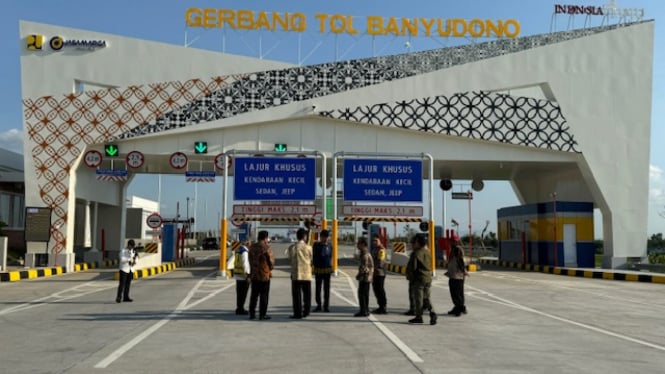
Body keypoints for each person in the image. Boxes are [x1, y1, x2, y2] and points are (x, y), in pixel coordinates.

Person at [406, 234, 437, 325]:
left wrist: (410, 277)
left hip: (419, 278)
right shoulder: (427, 252)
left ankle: (419, 316)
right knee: (426, 297)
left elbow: (413, 268)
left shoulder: (416, 253)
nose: (412, 244)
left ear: (418, 243)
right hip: (428, 277)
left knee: (418, 298)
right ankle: (432, 312)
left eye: (413, 242)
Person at [248, 230, 275, 320]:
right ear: (265, 238)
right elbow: (271, 262)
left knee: (254, 295)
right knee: (264, 295)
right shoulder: (266, 248)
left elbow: (249, 260)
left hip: (254, 275)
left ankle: (252, 314)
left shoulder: (252, 247)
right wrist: (270, 268)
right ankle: (262, 314)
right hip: (264, 275)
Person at [287, 228, 313, 319]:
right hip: (307, 274)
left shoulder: (292, 247)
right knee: (307, 294)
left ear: (297, 236)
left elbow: (290, 258)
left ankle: (297, 313)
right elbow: (311, 259)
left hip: (296, 274)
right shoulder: (309, 248)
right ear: (305, 237)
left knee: (296, 295)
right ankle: (306, 311)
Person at [228, 238, 251, 315]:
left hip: (237, 275)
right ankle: (241, 309)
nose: (251, 244)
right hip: (243, 276)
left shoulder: (238, 250)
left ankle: (239, 308)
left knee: (239, 294)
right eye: (250, 243)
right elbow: (245, 264)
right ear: (247, 243)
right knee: (243, 294)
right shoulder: (244, 252)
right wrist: (248, 275)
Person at [312, 229, 333, 312]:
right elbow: (313, 256)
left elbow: (330, 256)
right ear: (321, 237)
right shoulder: (316, 245)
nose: (325, 239)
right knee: (318, 289)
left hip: (327, 270)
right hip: (318, 270)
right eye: (324, 237)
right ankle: (319, 305)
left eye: (327, 237)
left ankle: (326, 306)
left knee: (327, 289)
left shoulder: (330, 246)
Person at [446, 244, 469, 317]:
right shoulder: (456, 251)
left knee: (456, 293)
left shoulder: (457, 252)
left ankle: (458, 309)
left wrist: (464, 271)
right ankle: (461, 308)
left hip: (456, 276)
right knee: (459, 293)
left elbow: (460, 263)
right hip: (456, 276)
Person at [354, 237, 373, 317]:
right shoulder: (366, 253)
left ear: (362, 244)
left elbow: (364, 267)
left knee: (361, 294)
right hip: (368, 277)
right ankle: (366, 310)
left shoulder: (364, 254)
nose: (357, 245)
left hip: (364, 277)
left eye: (358, 243)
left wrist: (359, 275)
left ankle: (363, 310)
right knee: (365, 294)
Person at [371, 234, 388, 314]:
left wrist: (373, 268)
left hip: (380, 273)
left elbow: (380, 263)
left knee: (380, 290)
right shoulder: (375, 249)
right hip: (375, 273)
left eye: (376, 240)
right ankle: (380, 306)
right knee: (376, 290)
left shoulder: (381, 250)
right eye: (373, 241)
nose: (374, 242)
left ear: (380, 241)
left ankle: (383, 306)